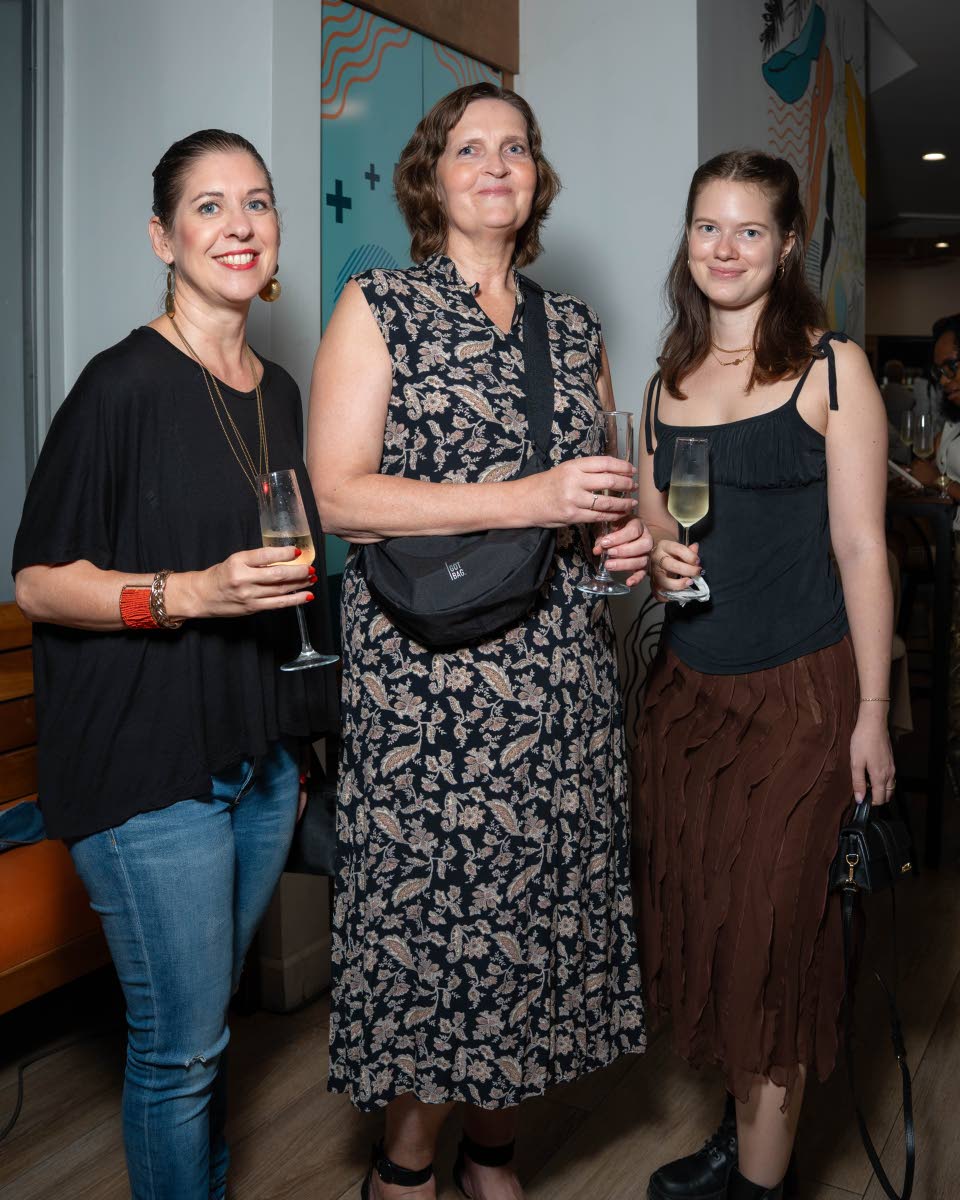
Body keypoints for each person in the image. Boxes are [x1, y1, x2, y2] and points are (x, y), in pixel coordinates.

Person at [310, 82, 650, 1200]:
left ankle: (491, 1154)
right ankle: (405, 1166)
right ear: (433, 176)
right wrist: (530, 494)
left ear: (535, 177)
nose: (496, 163)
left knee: (539, 925)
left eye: (517, 146)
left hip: (557, 679)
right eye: (470, 147)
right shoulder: (380, 304)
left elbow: (594, 504)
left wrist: (623, 545)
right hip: (429, 691)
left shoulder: (575, 327)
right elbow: (343, 500)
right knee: (438, 935)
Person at [12, 129, 337, 1200]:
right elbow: (40, 582)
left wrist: (297, 751)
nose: (238, 225)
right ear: (163, 235)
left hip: (253, 762)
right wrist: (185, 593)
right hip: (147, 764)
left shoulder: (280, 390)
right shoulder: (122, 385)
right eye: (207, 206)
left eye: (256, 202)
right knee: (181, 1046)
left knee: (205, 1032)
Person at [634, 150, 894, 1200]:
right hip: (690, 700)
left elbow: (864, 551)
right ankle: (745, 1137)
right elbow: (661, 520)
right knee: (708, 919)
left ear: (787, 246)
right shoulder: (669, 378)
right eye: (708, 227)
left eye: (750, 230)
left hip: (802, 702)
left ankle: (759, 1185)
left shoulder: (835, 371)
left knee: (772, 941)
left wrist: (871, 715)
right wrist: (657, 552)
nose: (725, 249)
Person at [908, 312, 960, 742]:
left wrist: (939, 482)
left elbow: (941, 478)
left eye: (953, 366)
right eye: (940, 370)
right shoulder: (953, 420)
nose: (945, 379)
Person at [881, 358, 913, 464]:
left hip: (884, 446)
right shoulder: (909, 397)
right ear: (902, 375)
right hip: (902, 448)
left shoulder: (880, 395)